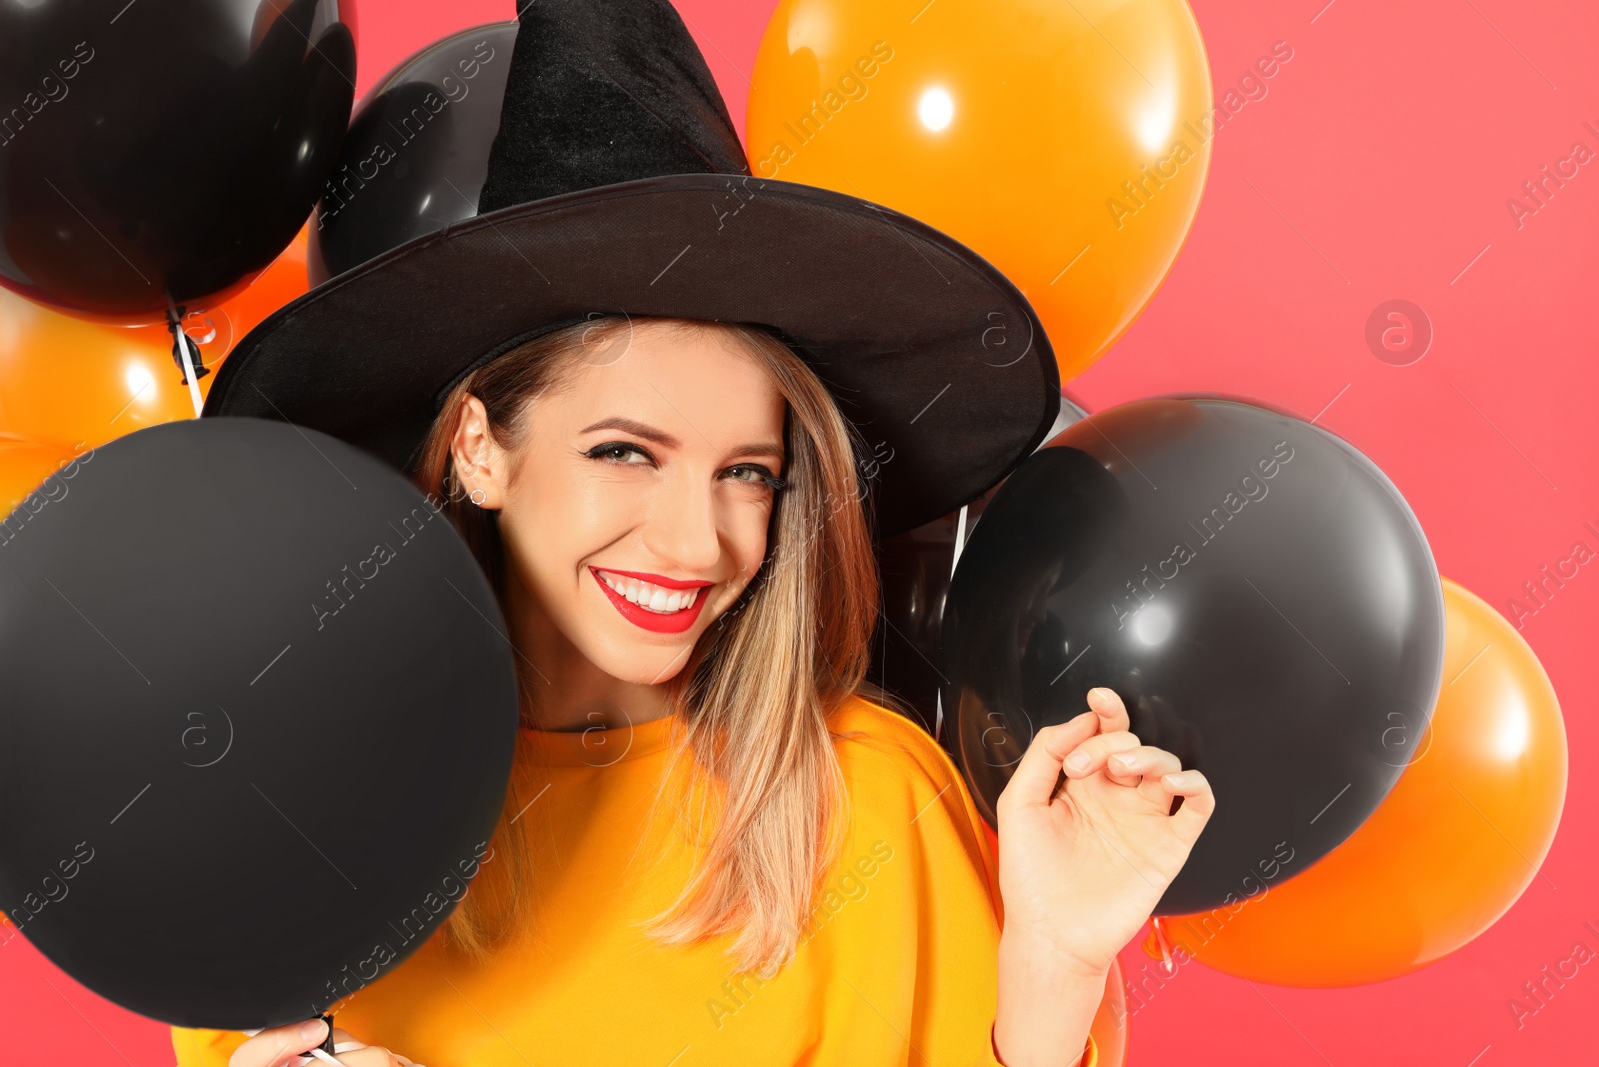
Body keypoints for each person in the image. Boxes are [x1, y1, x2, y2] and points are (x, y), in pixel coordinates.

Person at [175, 4, 1214, 1066]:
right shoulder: (294, 809)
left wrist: (1056, 957)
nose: (694, 542)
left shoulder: (870, 805)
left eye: (746, 474)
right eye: (623, 451)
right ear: (481, 448)